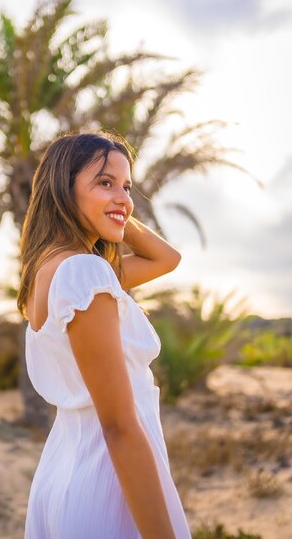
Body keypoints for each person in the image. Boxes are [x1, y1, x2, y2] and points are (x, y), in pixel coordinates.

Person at [17, 129, 192, 539]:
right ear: (63, 189)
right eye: (104, 181)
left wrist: (112, 209)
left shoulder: (49, 273)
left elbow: (168, 258)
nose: (125, 198)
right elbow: (119, 425)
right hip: (107, 483)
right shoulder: (83, 273)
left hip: (64, 470)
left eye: (127, 186)